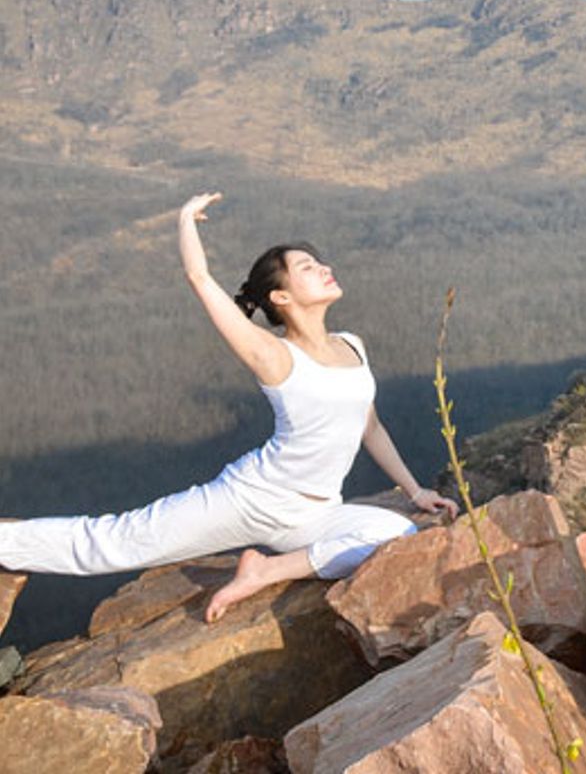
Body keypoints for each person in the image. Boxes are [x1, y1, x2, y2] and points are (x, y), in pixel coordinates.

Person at [0, 192, 457, 622]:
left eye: (320, 262)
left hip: (314, 517)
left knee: (399, 536)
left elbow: (369, 426)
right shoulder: (273, 354)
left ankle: (264, 572)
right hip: (250, 500)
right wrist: (184, 221)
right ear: (281, 297)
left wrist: (415, 493)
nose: (325, 268)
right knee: (117, 541)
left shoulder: (351, 345)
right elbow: (200, 280)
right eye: (307, 267)